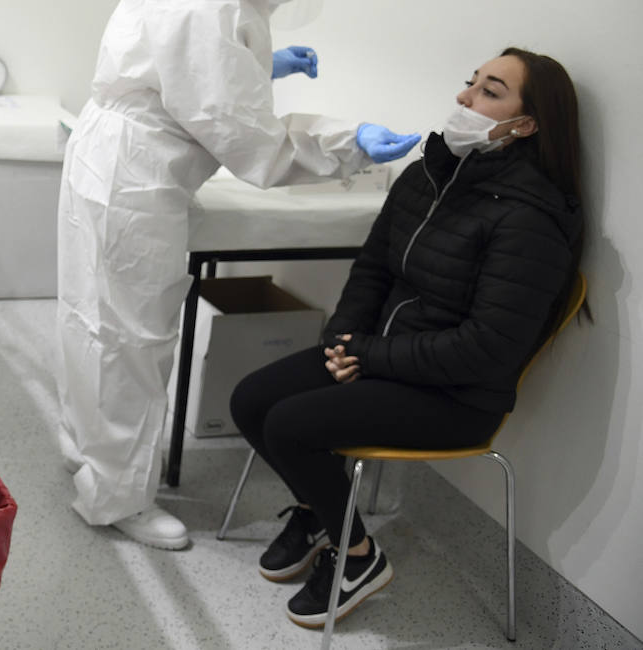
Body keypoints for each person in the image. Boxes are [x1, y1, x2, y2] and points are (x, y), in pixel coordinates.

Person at [54, 0, 422, 550]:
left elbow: (186, 65)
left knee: (91, 320)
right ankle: (117, 499)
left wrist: (255, 58)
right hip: (137, 176)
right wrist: (351, 148)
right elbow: (259, 150)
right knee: (132, 340)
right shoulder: (206, 7)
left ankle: (91, 454)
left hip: (108, 154)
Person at [230, 48, 583, 628]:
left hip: (457, 396)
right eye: (470, 83)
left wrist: (366, 355)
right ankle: (323, 513)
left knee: (290, 425)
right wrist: (345, 340)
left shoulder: (530, 220)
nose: (466, 99)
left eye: (491, 91)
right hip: (380, 357)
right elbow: (374, 267)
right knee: (251, 400)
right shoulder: (431, 173)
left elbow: (486, 347)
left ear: (527, 125)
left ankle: (359, 558)